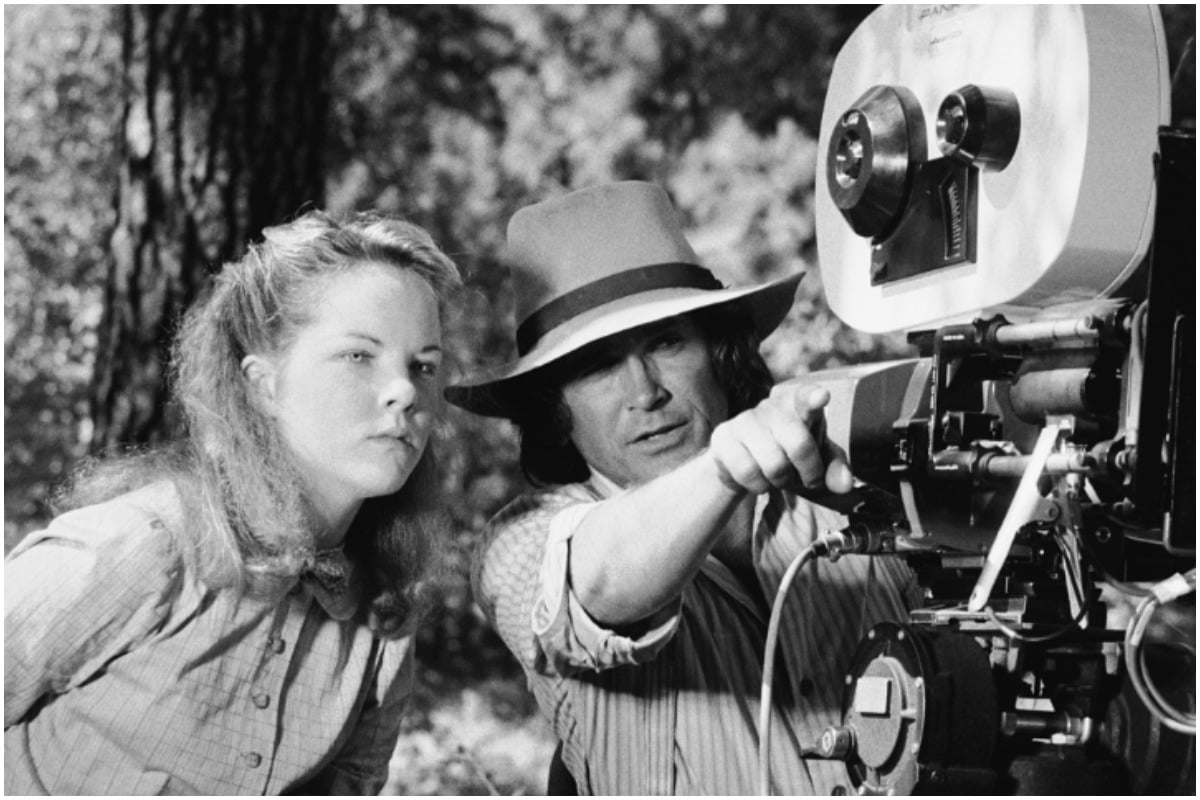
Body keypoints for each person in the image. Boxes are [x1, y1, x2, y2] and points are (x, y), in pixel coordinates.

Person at [447, 181, 922, 795]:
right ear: (555, 410)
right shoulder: (520, 544)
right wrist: (724, 468)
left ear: (721, 354)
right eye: (597, 367)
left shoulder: (839, 500)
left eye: (666, 343)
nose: (644, 393)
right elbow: (599, 586)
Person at [5, 210, 462, 795]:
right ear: (263, 384)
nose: (404, 390)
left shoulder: (384, 615)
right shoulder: (144, 544)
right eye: (358, 355)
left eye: (423, 365)